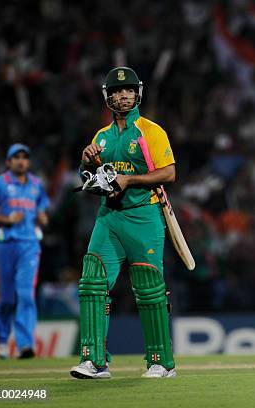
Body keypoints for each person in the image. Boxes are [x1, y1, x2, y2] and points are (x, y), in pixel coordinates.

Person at [70, 67, 177, 379]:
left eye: (128, 90)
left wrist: (130, 180)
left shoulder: (150, 131)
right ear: (107, 96)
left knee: (148, 289)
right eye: (117, 91)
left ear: (138, 93)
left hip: (145, 216)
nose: (123, 95)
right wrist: (87, 162)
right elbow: (92, 179)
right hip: (109, 217)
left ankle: (161, 362)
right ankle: (94, 360)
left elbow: (169, 173)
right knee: (92, 282)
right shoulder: (101, 137)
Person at [0, 143, 50, 359]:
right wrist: (6, 219)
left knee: (26, 294)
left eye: (24, 157)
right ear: (9, 162)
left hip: (29, 244)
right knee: (7, 298)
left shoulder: (36, 185)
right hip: (6, 244)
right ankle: (2, 338)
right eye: (16, 157)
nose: (21, 160)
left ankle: (25, 345)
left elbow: (42, 207)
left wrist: (42, 216)